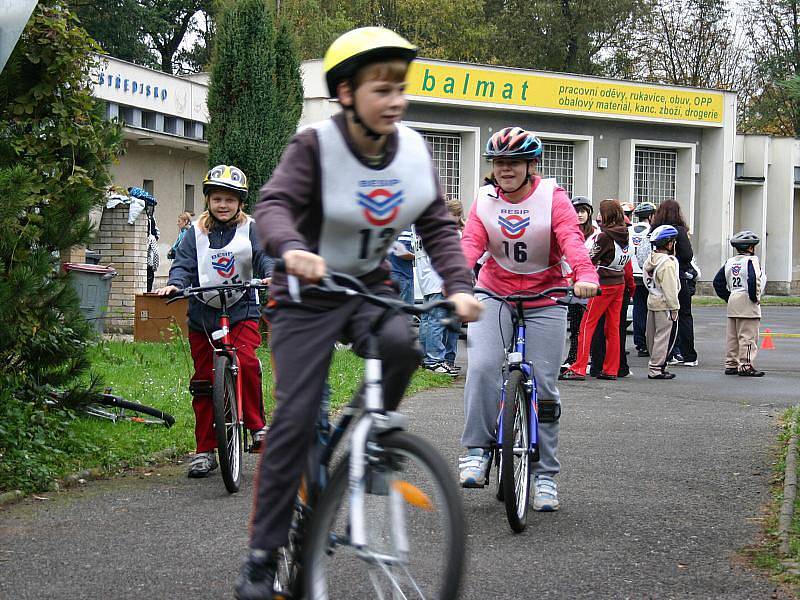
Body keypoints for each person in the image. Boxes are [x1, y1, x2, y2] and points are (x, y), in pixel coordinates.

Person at [236, 27, 483, 599]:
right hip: (307, 294)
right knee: (296, 421)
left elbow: (437, 226)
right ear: (346, 93)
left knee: (404, 345)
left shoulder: (415, 152)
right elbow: (272, 205)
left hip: (368, 286)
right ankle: (262, 555)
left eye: (401, 87)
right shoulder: (315, 147)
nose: (395, 99)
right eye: (381, 88)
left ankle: (371, 443)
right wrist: (291, 248)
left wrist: (458, 285)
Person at [458, 125, 599, 512]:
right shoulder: (484, 200)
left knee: (544, 384)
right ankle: (476, 449)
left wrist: (585, 275)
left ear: (529, 164)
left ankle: (545, 476)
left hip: (546, 296)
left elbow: (570, 238)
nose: (506, 169)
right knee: (484, 366)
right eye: (500, 162)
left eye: (514, 162)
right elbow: (471, 243)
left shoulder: (552, 197)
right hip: (494, 293)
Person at [154, 165, 272, 477]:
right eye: (217, 198)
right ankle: (205, 450)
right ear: (208, 200)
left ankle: (258, 428)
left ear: (240, 203)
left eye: (230, 200)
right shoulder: (195, 231)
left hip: (241, 310)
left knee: (245, 363)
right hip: (203, 314)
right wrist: (175, 283)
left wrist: (272, 273)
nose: (223, 205)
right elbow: (183, 264)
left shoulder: (251, 228)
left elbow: (264, 256)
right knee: (204, 382)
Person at [561, 199, 629, 381]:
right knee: (613, 328)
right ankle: (611, 369)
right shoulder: (625, 233)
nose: (599, 216)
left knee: (586, 325)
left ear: (607, 215)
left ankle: (579, 367)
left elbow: (589, 259)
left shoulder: (605, 236)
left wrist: (574, 277)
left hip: (603, 284)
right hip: (619, 282)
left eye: (601, 212)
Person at [415, 197, 465, 375]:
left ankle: (426, 357)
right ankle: (435, 360)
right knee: (437, 321)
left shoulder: (422, 229)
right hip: (439, 281)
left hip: (427, 281)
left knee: (428, 321)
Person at [650, 200, 698, 366]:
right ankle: (688, 355)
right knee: (683, 314)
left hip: (656, 278)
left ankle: (667, 353)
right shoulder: (679, 231)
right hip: (678, 276)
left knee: (662, 319)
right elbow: (687, 255)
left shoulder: (653, 231)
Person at [712, 230, 766, 377]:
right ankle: (746, 365)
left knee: (733, 336)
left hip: (733, 298)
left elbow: (717, 282)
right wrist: (755, 299)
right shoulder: (752, 260)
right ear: (750, 247)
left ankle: (731, 364)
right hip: (746, 299)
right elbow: (753, 280)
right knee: (748, 335)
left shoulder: (730, 262)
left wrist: (728, 297)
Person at [560, 195, 597, 373]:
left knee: (587, 326)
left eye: (583, 211)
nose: (579, 215)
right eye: (576, 211)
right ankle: (574, 357)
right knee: (575, 325)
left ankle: (587, 359)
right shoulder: (566, 232)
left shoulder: (596, 235)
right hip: (569, 284)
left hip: (589, 285)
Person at [642, 225, 681, 379]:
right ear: (669, 244)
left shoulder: (650, 260)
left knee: (651, 336)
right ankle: (656, 368)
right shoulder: (668, 263)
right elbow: (670, 288)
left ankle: (654, 363)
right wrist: (674, 308)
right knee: (663, 338)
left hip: (652, 300)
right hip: (664, 304)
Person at [631, 201, 657, 356]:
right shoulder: (652, 231)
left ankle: (639, 342)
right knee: (650, 309)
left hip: (632, 274)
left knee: (638, 309)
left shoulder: (630, 230)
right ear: (651, 216)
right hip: (646, 273)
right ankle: (649, 342)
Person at [388, 228, 415, 304]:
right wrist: (420, 257)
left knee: (407, 311)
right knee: (399, 310)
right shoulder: (406, 229)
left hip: (406, 275)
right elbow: (400, 252)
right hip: (399, 275)